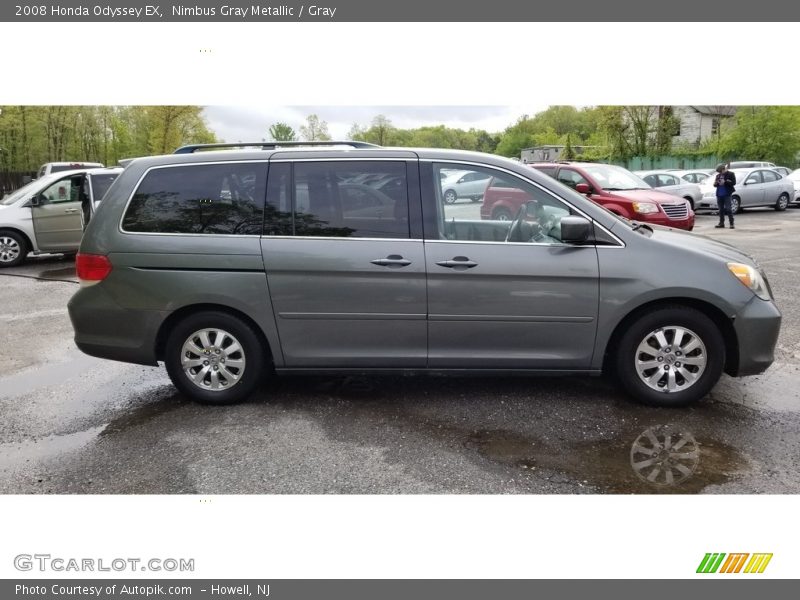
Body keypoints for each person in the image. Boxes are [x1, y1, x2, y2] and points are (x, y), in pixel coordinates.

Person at [713, 163, 736, 229]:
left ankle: (731, 223)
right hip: (719, 194)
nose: (720, 173)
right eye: (719, 172)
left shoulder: (731, 174)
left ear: (723, 169)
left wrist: (725, 182)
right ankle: (721, 223)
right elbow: (715, 185)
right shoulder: (718, 176)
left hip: (727, 194)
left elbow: (734, 183)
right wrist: (716, 183)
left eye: (721, 171)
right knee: (721, 210)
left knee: (728, 209)